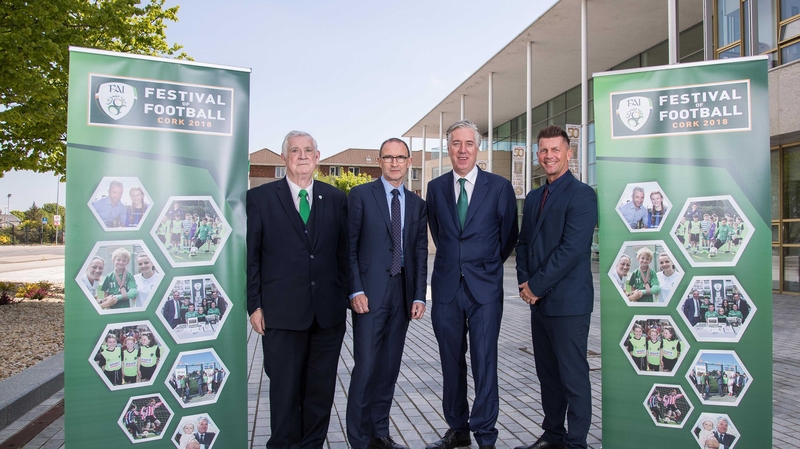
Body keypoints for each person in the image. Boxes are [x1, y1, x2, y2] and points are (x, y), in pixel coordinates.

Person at [247, 130, 348, 449]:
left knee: (320, 394)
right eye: (295, 151)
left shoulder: (335, 199)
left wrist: (344, 298)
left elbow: (343, 255)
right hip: (281, 315)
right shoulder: (260, 198)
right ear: (284, 158)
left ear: (318, 158)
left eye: (308, 150)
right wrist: (254, 305)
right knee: (285, 392)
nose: (302, 156)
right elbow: (252, 257)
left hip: (327, 317)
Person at [426, 120, 518, 449]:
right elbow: (440, 233)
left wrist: (485, 264)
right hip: (447, 288)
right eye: (455, 143)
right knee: (451, 362)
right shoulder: (435, 189)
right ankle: (458, 429)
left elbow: (508, 236)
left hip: (485, 290)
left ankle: (486, 435)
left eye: (468, 143)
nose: (462, 150)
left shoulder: (499, 187)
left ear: (478, 148)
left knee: (484, 361)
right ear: (448, 148)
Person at [515, 125, 597, 449]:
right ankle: (553, 436)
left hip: (569, 304)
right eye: (544, 150)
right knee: (547, 376)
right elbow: (523, 243)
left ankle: (576, 443)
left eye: (555, 150)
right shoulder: (534, 196)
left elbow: (570, 250)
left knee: (573, 378)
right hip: (540, 304)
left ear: (569, 153)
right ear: (538, 155)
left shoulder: (583, 195)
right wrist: (524, 282)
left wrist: (535, 286)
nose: (549, 156)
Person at [345, 138, 428, 449]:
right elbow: (349, 247)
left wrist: (419, 295)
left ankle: (380, 433)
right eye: (388, 157)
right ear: (379, 161)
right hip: (369, 296)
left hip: (402, 295)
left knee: (389, 368)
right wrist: (355, 289)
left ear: (409, 162)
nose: (395, 163)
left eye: (400, 157)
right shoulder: (360, 196)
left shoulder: (418, 204)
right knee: (366, 368)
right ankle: (358, 438)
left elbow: (420, 252)